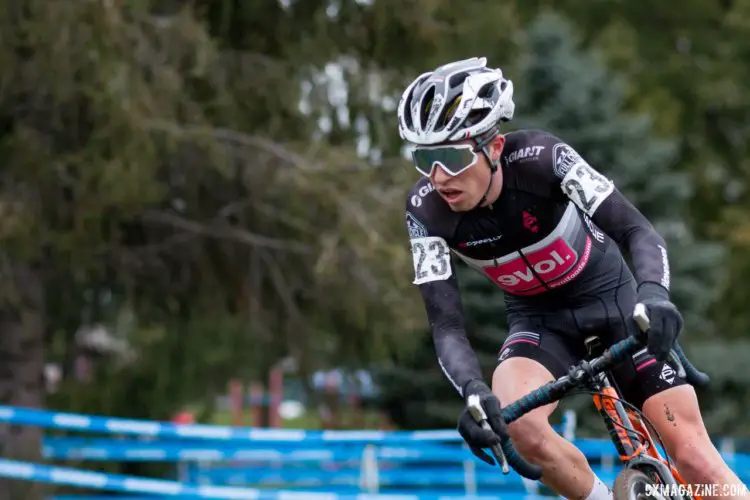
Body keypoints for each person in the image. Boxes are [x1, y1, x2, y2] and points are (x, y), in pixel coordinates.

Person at [399, 57, 746, 499]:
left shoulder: (544, 158)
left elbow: (636, 229)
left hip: (616, 305)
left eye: (451, 155)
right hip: (539, 326)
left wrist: (654, 295)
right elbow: (446, 325)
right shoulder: (424, 211)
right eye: (424, 158)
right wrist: (471, 391)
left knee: (697, 460)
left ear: (495, 146)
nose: (438, 175)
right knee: (519, 424)